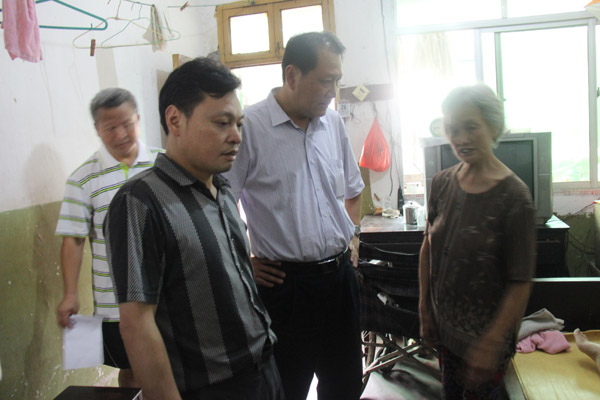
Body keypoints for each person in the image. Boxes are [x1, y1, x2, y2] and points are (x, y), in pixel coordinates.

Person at [104, 57, 283, 400]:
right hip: (211, 389)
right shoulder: (140, 202)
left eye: (239, 124)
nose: (236, 137)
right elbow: (137, 325)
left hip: (264, 372)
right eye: (222, 123)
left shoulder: (223, 191)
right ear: (175, 120)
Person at [224, 31, 365, 400]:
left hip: (340, 282)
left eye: (337, 80)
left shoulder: (332, 124)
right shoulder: (250, 128)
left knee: (345, 387)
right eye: (325, 80)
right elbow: (220, 205)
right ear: (292, 75)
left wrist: (352, 234)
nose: (333, 91)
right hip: (286, 288)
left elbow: (353, 189)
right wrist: (242, 261)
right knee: (285, 389)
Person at [418, 84, 537, 399]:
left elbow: (520, 282)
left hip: (487, 345)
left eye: (471, 127)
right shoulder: (442, 183)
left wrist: (491, 343)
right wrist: (425, 309)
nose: (460, 138)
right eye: (453, 129)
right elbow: (428, 247)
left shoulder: (515, 198)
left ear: (493, 127)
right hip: (446, 332)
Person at [55, 87, 162, 387]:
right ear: (97, 129)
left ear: (138, 119)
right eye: (110, 127)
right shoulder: (82, 179)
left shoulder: (165, 164)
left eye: (127, 124)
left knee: (176, 368)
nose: (121, 134)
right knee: (131, 370)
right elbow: (74, 239)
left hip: (169, 293)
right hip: (115, 301)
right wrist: (70, 294)